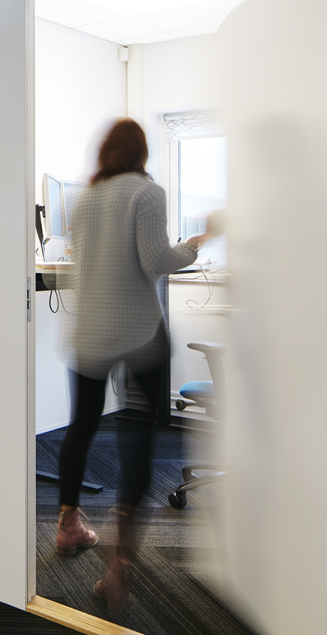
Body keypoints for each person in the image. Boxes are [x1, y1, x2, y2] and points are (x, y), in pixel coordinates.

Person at [54, 118, 211, 607]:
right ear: (141, 153)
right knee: (138, 438)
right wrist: (194, 245)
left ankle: (68, 525)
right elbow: (155, 259)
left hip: (90, 332)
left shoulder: (84, 199)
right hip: (140, 333)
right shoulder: (148, 192)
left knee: (81, 426)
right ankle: (118, 566)